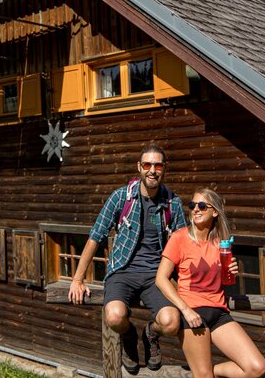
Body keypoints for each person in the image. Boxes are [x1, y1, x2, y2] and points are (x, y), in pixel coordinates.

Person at [68, 144, 187, 374]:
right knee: (114, 316)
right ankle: (129, 334)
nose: (152, 170)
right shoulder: (121, 197)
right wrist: (77, 279)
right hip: (122, 271)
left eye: (158, 165)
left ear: (164, 169)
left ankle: (150, 334)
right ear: (139, 167)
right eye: (147, 165)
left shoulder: (173, 203)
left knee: (171, 323)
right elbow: (95, 236)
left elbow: (184, 246)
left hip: (157, 276)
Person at [156, 188, 265, 378]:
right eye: (192, 205)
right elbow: (161, 279)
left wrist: (230, 272)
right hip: (192, 314)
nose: (196, 210)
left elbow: (224, 282)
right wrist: (185, 310)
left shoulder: (221, 243)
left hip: (219, 313)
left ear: (214, 212)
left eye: (202, 206)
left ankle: (210, 371)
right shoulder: (179, 238)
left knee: (257, 367)